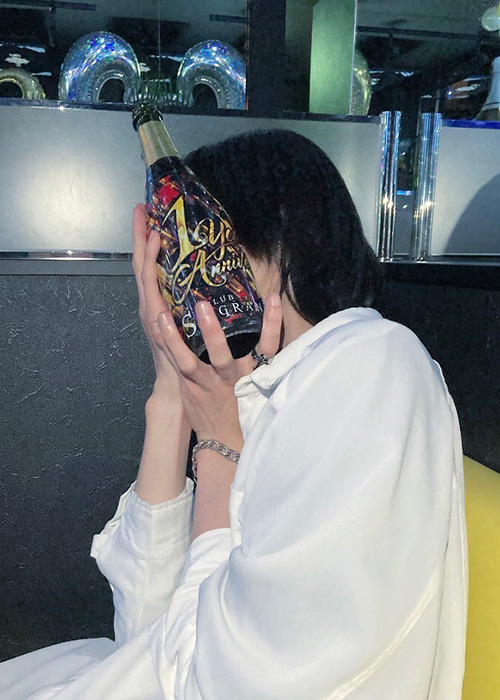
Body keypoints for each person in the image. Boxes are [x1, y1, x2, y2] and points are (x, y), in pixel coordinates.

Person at [0, 129, 467, 699]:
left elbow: (221, 683)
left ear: (279, 231)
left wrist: (222, 444)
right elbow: (146, 630)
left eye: (196, 235)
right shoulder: (264, 383)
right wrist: (172, 387)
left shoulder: (367, 361)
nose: (182, 269)